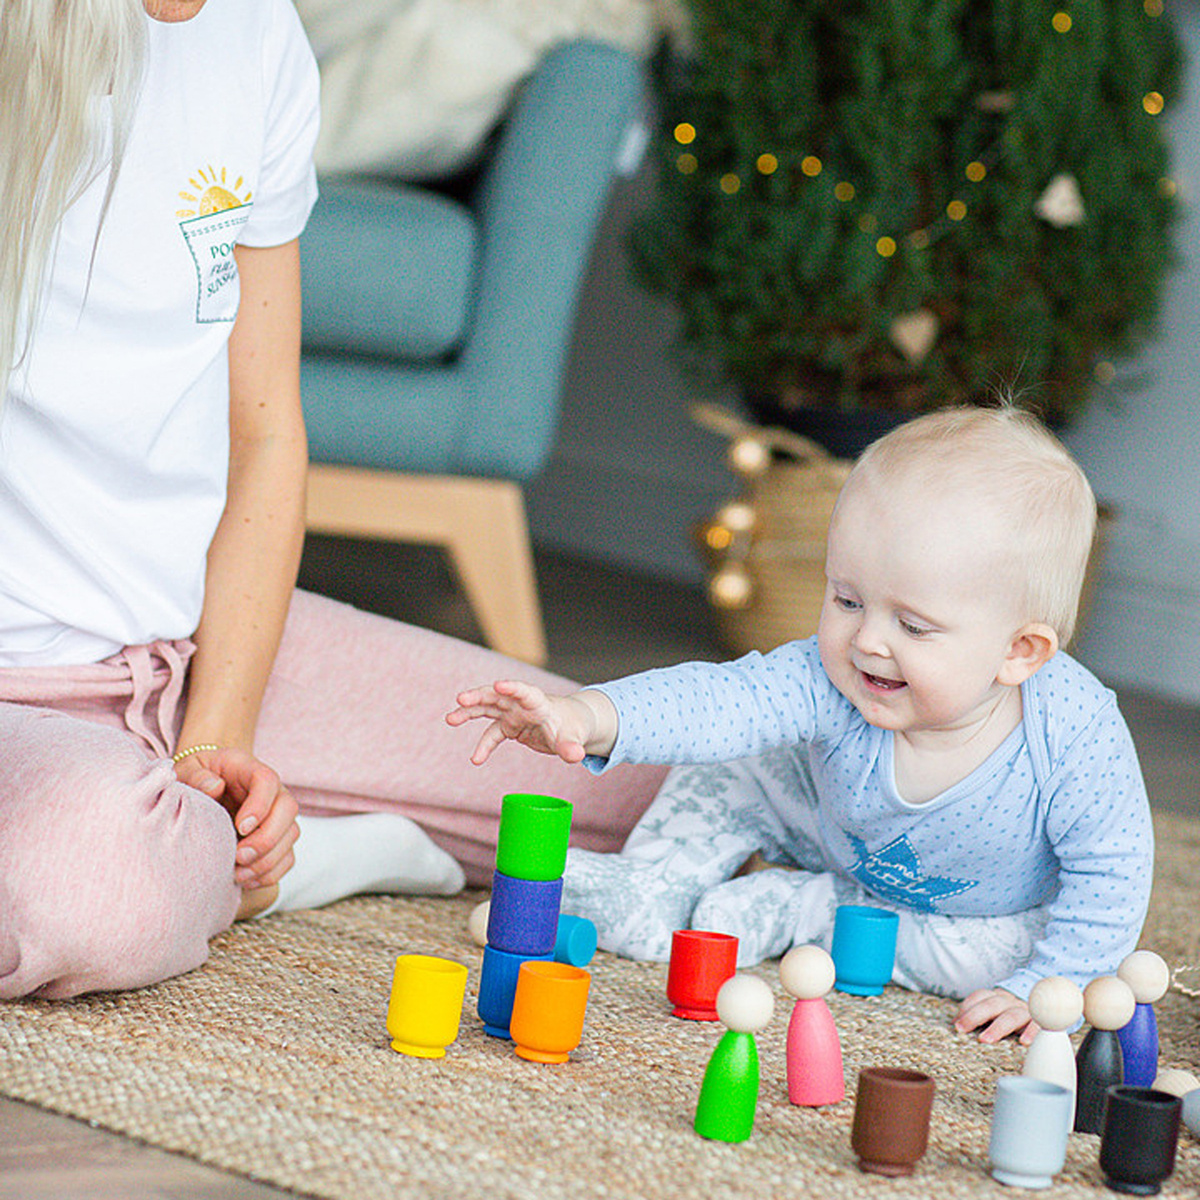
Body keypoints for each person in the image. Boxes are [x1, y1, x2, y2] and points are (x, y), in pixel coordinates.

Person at [0, 0, 665, 1001]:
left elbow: (266, 434)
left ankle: (199, 832)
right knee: (93, 889)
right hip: (23, 697)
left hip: (191, 646)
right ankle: (272, 871)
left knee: (635, 797)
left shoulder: (256, 36)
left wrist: (218, 743)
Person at [448, 405, 1154, 1044]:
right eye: (846, 599)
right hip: (819, 819)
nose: (868, 642)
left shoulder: (1075, 734)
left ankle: (803, 910)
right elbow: (717, 701)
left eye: (912, 625)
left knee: (1005, 959)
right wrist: (587, 715)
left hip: (970, 912)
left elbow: (1112, 872)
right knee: (729, 757)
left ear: (1018, 652)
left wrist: (1046, 988)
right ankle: (659, 880)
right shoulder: (828, 674)